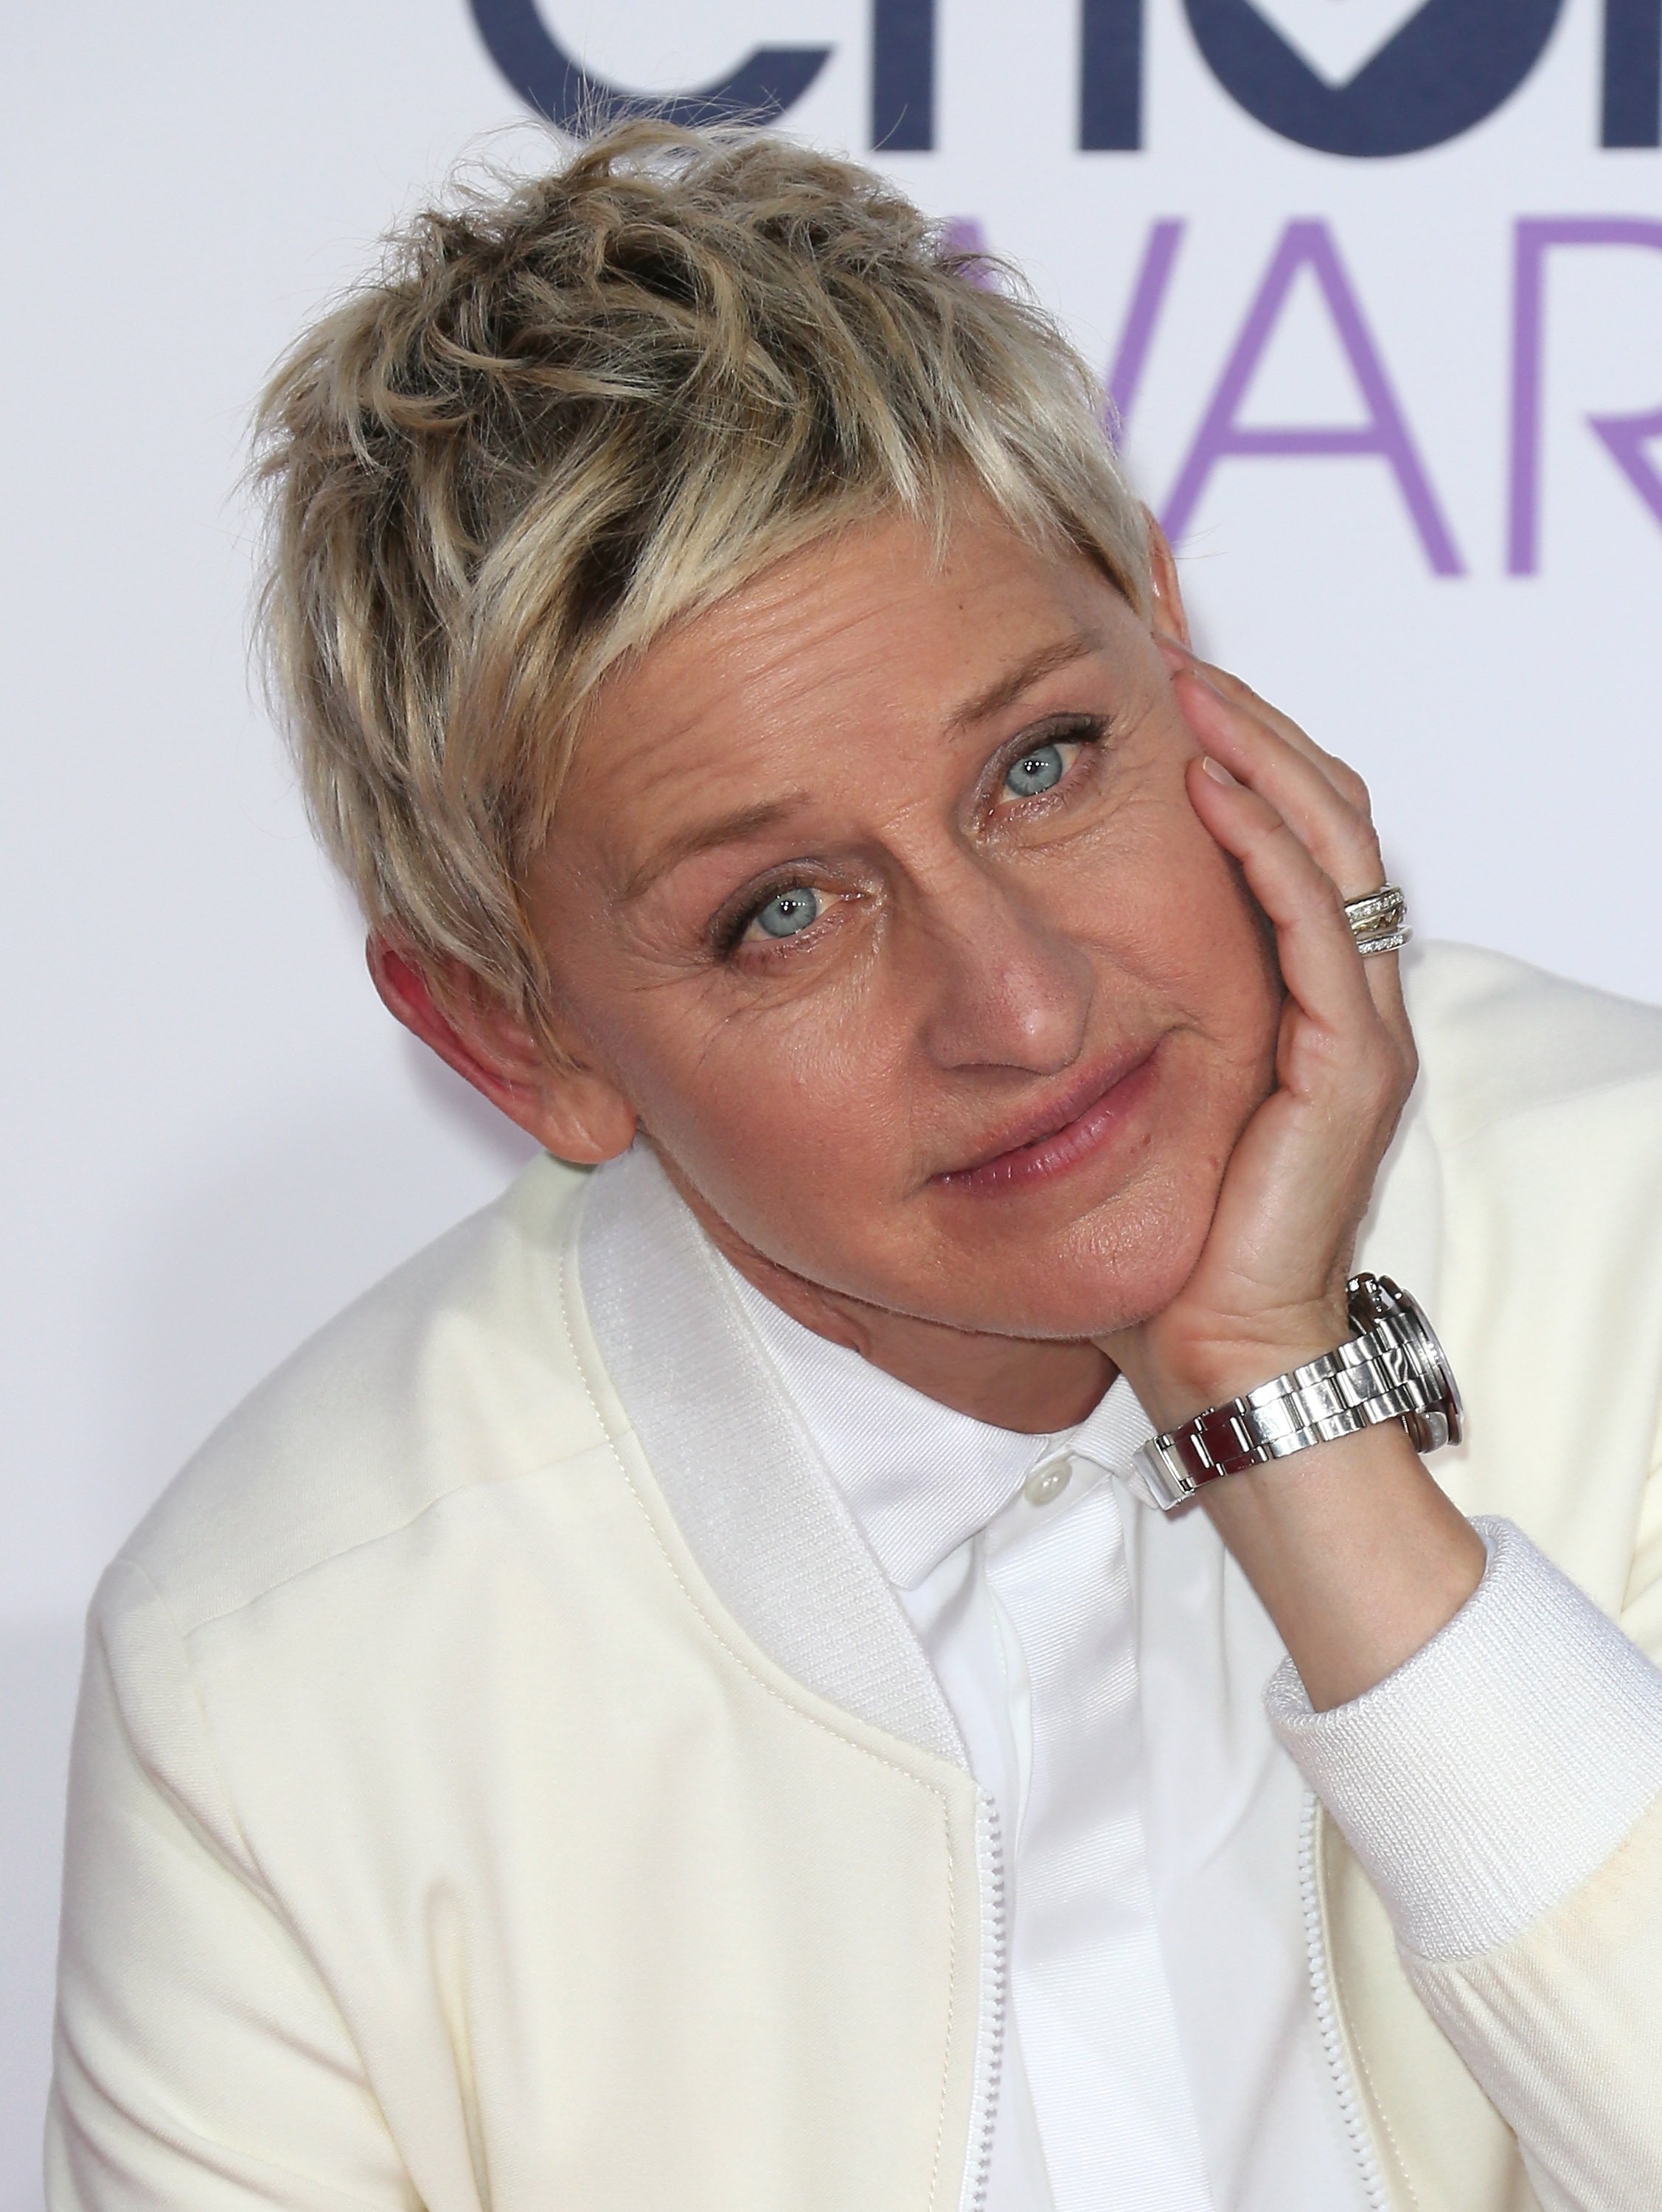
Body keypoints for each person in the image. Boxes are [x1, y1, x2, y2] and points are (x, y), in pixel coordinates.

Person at [48, 120, 1662, 2212]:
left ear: (1172, 635)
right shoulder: (274, 1676)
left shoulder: (1638, 1227)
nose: (1021, 1007)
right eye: (781, 913)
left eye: (1045, 764)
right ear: (513, 1038)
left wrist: (1287, 1413)